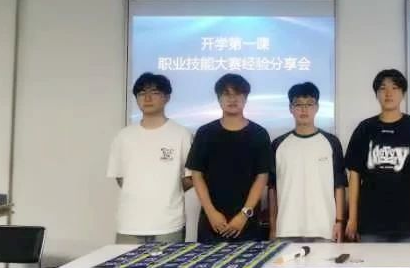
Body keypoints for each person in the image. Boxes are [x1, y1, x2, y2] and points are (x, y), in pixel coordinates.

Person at [345, 69, 410, 242]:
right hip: (370, 222)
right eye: (382, 88)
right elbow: (354, 175)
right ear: (376, 94)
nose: (388, 93)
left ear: (403, 93)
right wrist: (352, 219)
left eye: (394, 88)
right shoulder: (365, 128)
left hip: (409, 222)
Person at [107, 72, 192, 244]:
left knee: (168, 263)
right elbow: (120, 177)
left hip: (168, 223)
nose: (147, 98)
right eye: (141, 93)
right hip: (130, 223)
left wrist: (169, 190)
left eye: (154, 93)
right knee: (126, 263)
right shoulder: (123, 136)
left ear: (167, 97)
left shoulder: (181, 134)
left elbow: (190, 178)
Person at [186, 74, 272, 243]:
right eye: (226, 94)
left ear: (245, 98)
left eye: (238, 94)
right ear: (219, 99)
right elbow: (197, 175)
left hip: (247, 223)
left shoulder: (259, 134)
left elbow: (262, 177)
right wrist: (211, 212)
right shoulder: (205, 133)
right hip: (211, 222)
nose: (232, 99)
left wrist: (244, 214)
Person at [269, 82, 346, 241]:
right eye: (298, 104)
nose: (304, 109)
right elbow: (272, 189)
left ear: (317, 107)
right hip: (286, 229)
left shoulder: (331, 142)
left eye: (309, 104)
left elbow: (339, 186)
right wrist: (273, 227)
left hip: (324, 228)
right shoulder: (278, 144)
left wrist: (339, 222)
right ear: (290, 108)